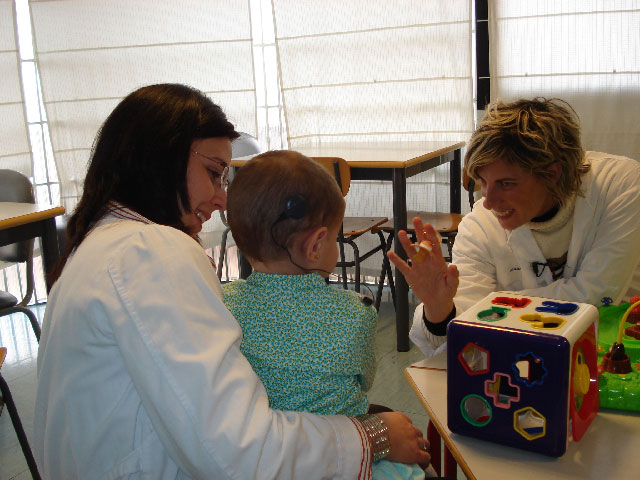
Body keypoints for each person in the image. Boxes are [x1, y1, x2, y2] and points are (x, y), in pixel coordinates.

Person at [34, 83, 430, 479]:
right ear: (161, 159)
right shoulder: (149, 251)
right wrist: (372, 436)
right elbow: (237, 453)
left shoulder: (103, 244)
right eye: (213, 173)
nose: (222, 199)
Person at [222, 150, 426, 480]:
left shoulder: (223, 304)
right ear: (317, 244)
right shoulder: (354, 314)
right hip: (349, 453)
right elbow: (364, 379)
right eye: (334, 235)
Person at [388, 98, 640, 357]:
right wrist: (439, 311)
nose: (489, 201)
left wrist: (492, 307)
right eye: (483, 182)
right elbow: (463, 337)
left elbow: (597, 296)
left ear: (552, 174)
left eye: (506, 184)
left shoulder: (619, 185)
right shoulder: (480, 226)